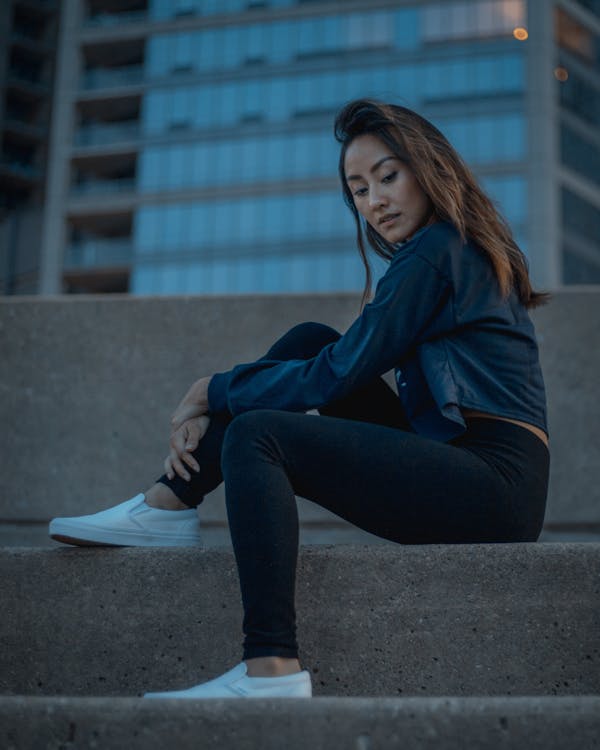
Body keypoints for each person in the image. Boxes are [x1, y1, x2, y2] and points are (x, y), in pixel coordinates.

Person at [49, 99, 550, 700]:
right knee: (309, 339)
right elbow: (328, 361)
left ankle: (271, 668)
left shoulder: (437, 253)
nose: (375, 202)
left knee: (260, 435)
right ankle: (169, 503)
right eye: (358, 190)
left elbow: (336, 376)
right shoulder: (447, 250)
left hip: (491, 486)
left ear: (429, 168)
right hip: (466, 465)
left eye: (388, 177)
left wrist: (213, 389)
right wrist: (224, 393)